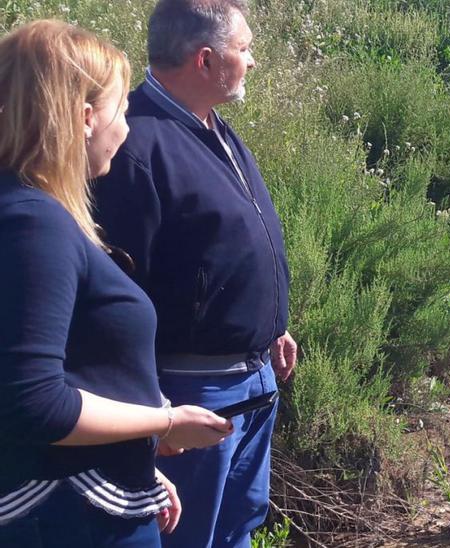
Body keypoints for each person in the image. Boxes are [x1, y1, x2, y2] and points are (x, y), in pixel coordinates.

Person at [0, 19, 234, 547]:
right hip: (67, 521)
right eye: (121, 111)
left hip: (81, 501)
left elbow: (81, 367)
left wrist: (135, 464)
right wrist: (164, 422)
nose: (127, 129)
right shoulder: (33, 224)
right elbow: (35, 402)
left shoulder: (30, 212)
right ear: (85, 118)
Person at [93, 1, 297, 546]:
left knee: (237, 529)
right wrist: (152, 413)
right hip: (190, 395)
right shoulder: (134, 146)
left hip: (252, 379)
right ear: (205, 60)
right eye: (245, 49)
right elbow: (114, 300)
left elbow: (222, 249)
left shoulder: (213, 129)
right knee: (192, 537)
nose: (252, 61)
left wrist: (268, 325)